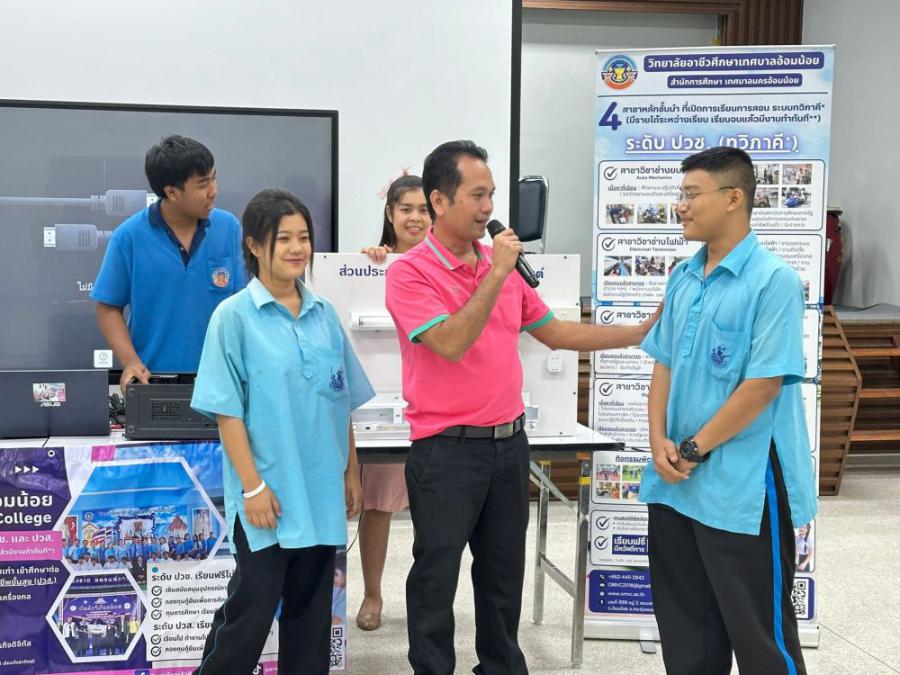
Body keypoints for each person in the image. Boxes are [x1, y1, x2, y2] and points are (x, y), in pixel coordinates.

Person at [384, 140, 660, 675]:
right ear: (439, 201)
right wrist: (494, 275)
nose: (489, 208)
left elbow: (555, 332)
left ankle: (502, 667)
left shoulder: (501, 265)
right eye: (477, 195)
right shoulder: (410, 272)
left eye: (492, 195)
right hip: (445, 450)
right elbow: (450, 342)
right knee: (436, 576)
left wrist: (637, 334)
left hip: (509, 446)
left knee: (503, 574)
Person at [638, 146, 816, 675]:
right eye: (681, 194)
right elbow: (664, 363)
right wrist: (658, 440)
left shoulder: (773, 280)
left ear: (734, 198)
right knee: (688, 635)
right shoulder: (682, 276)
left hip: (743, 487)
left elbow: (762, 386)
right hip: (676, 481)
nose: (681, 206)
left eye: (692, 194)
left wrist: (694, 448)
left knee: (760, 638)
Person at [190, 188, 374, 675]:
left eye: (304, 237)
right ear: (254, 245)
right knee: (250, 612)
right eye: (284, 238)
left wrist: (351, 473)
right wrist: (252, 487)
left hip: (321, 494)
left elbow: (340, 398)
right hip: (266, 497)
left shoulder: (324, 314)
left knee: (311, 619)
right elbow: (227, 413)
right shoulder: (233, 317)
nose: (297, 248)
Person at [91, 135, 246, 391]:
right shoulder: (129, 237)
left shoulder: (228, 227)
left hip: (221, 383)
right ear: (172, 192)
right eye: (203, 184)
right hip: (155, 382)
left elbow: (240, 304)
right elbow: (108, 308)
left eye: (214, 178)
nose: (214, 191)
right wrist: (130, 362)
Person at [355, 174, 430, 631]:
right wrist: (367, 262)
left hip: (434, 407)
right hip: (382, 413)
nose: (415, 218)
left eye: (424, 209)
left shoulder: (446, 262)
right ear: (390, 213)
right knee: (378, 505)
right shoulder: (372, 263)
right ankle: (372, 594)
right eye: (406, 209)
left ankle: (426, 602)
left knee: (434, 514)